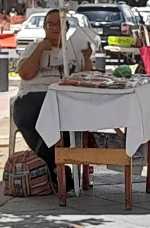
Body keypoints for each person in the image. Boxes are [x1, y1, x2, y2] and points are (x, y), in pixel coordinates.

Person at [13, 10, 92, 186]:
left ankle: (54, 166)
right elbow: (26, 74)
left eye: (59, 24)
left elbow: (86, 79)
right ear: (44, 27)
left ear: (67, 27)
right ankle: (57, 164)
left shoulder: (73, 50)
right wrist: (41, 49)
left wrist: (87, 59)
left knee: (76, 115)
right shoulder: (34, 47)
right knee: (26, 114)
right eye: (51, 24)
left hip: (64, 98)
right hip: (35, 96)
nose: (55, 28)